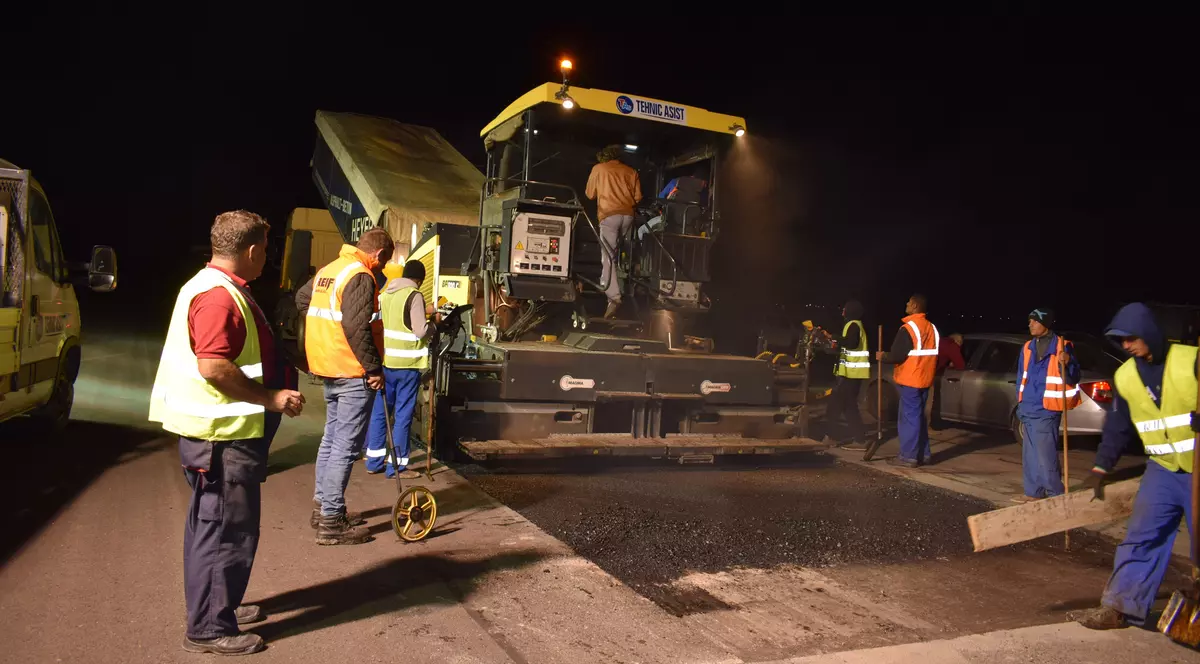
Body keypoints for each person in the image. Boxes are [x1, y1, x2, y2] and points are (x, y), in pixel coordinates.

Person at [148, 210, 305, 656]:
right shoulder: (218, 297)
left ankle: (222, 605)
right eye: (266, 250)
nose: (267, 259)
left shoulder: (213, 287)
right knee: (224, 532)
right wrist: (272, 399)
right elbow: (214, 366)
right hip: (222, 441)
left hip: (220, 438)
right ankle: (210, 626)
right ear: (252, 250)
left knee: (213, 527)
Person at [1074, 303, 1199, 630]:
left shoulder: (1191, 361)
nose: (1126, 345)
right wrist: (1102, 467)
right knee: (1141, 536)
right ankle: (1120, 607)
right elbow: (1118, 426)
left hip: (1199, 467)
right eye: (1120, 340)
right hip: (1162, 470)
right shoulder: (1126, 376)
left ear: (1150, 333)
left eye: (1131, 338)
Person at [296, 227, 394, 545]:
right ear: (378, 255)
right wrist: (373, 368)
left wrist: (325, 335)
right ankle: (332, 523)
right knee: (345, 448)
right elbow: (355, 326)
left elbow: (301, 300)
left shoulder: (329, 270)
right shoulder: (361, 275)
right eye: (383, 263)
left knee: (330, 441)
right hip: (351, 371)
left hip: (327, 366)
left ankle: (322, 507)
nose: (379, 269)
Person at [364, 259, 435, 479]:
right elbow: (420, 331)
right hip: (407, 367)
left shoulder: (386, 294)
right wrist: (436, 322)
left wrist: (425, 311)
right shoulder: (415, 295)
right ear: (420, 280)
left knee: (380, 413)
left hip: (386, 365)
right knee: (403, 417)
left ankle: (374, 461)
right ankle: (397, 467)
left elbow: (394, 320)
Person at [1012, 308, 1081, 503]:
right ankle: (1033, 492)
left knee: (1045, 455)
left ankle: (1055, 494)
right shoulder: (1027, 347)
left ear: (1046, 323)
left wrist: (1068, 364)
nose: (1030, 324)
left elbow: (1074, 376)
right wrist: (1020, 401)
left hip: (1046, 408)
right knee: (1030, 455)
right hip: (1028, 407)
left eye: (1034, 321)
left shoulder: (1062, 346)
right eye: (1029, 321)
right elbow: (1021, 376)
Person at [875, 294, 940, 467]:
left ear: (916, 306)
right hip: (925, 379)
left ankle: (908, 456)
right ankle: (923, 454)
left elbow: (897, 355)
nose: (906, 304)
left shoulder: (909, 328)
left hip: (911, 379)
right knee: (919, 418)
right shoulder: (932, 328)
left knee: (909, 419)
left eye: (909, 303)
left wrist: (883, 356)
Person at [585, 144, 642, 319]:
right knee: (617, 254)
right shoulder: (631, 171)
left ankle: (614, 297)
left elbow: (589, 194)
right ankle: (619, 284)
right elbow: (638, 197)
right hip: (628, 216)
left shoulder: (599, 169)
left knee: (607, 256)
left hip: (609, 216)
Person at [825, 300, 869, 450]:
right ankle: (857, 438)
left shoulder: (853, 325)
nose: (842, 311)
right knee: (848, 407)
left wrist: (834, 337)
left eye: (844, 309)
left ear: (850, 311)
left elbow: (851, 343)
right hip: (850, 374)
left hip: (852, 375)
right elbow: (849, 346)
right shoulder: (855, 325)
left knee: (837, 405)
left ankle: (833, 436)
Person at [928, 333, 966, 429]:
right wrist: (951, 365)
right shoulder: (952, 346)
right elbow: (960, 365)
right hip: (930, 374)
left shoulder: (940, 341)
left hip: (921, 370)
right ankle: (927, 427)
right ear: (958, 341)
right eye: (960, 344)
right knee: (929, 402)